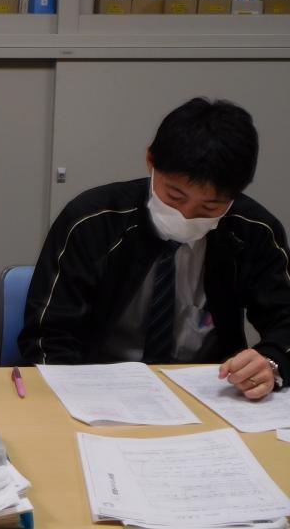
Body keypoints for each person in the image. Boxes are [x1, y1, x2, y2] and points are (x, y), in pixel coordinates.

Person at [19, 98, 289, 400]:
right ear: (150, 160)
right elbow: (48, 334)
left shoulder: (254, 230)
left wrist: (272, 361)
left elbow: (285, 321)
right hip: (98, 386)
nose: (186, 216)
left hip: (209, 393)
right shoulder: (92, 221)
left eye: (209, 207)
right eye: (175, 196)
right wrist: (74, 394)